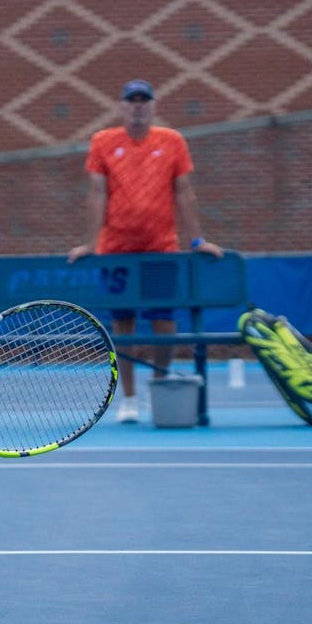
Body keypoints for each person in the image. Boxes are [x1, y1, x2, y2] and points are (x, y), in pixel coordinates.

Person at [67, 79, 224, 423]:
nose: (138, 105)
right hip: (116, 251)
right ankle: (129, 397)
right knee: (123, 324)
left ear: (153, 106)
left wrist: (197, 240)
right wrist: (91, 244)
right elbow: (97, 193)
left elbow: (184, 193)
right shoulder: (103, 141)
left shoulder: (172, 141)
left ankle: (158, 383)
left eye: (144, 100)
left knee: (164, 323)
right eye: (131, 100)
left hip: (160, 250)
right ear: (122, 106)